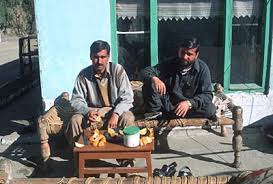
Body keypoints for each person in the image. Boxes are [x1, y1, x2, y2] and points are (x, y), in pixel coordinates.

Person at [66, 40, 135, 146]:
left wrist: (116, 114)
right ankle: (82, 157)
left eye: (103, 57)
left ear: (108, 56)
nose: (99, 61)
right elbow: (76, 100)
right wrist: (86, 111)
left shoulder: (118, 70)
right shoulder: (83, 75)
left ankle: (126, 158)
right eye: (96, 57)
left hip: (115, 110)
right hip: (93, 112)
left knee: (128, 118)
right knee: (75, 120)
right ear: (90, 57)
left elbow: (127, 97)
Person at [140, 37, 216, 119]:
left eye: (189, 54)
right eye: (182, 52)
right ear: (178, 51)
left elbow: (207, 95)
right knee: (149, 83)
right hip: (168, 103)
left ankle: (169, 115)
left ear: (196, 55)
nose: (184, 57)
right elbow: (145, 71)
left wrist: (189, 103)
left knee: (210, 109)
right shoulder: (170, 63)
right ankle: (157, 114)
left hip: (187, 106)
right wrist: (154, 78)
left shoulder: (202, 68)